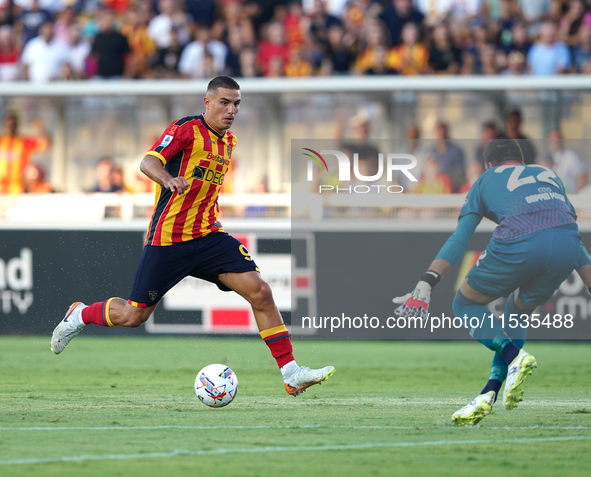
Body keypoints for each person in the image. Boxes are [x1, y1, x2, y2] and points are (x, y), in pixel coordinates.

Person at [51, 75, 335, 396]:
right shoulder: (186, 130)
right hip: (169, 239)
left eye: (237, 104)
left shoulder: (229, 142)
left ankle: (291, 373)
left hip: (209, 236)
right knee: (134, 316)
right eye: (225, 102)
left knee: (261, 292)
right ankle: (80, 314)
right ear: (208, 102)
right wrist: (168, 180)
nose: (231, 110)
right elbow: (147, 161)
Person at [392, 137, 591, 425]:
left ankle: (514, 355)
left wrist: (427, 281)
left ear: (489, 164)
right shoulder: (550, 176)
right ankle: (489, 393)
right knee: (518, 310)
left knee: (464, 302)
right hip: (568, 248)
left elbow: (461, 239)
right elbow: (567, 229)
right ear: (521, 160)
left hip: (521, 239)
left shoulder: (486, 179)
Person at [0, 111, 50, 194]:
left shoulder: (24, 142)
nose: (11, 124)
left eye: (13, 121)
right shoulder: (1, 141)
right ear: (4, 123)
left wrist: (41, 129)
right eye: (9, 121)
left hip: (18, 188)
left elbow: (46, 143)